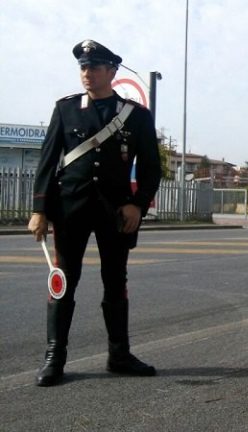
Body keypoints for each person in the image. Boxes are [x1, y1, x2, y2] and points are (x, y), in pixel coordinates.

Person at [28, 39, 162, 386]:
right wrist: (40, 209)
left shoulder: (135, 115)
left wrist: (138, 204)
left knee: (116, 281)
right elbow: (47, 162)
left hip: (115, 212)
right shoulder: (65, 109)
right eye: (83, 67)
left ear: (112, 72)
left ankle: (119, 354)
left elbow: (151, 168)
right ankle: (54, 356)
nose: (87, 73)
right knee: (62, 283)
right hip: (70, 208)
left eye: (95, 67)